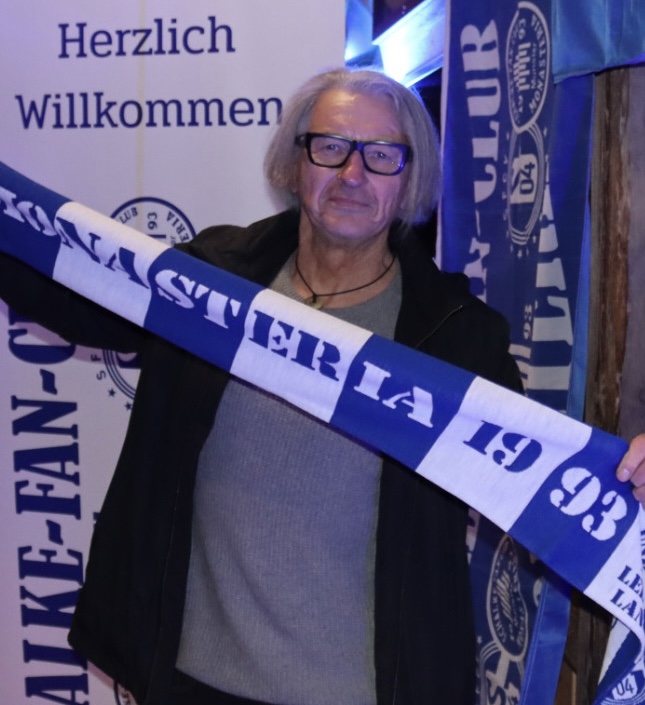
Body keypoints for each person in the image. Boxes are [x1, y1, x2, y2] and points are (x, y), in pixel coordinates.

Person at [1, 67, 644, 705]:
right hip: (187, 681)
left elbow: (539, 485)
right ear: (293, 163)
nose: (352, 174)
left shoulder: (454, 336)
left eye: (382, 155)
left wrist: (632, 480)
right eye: (330, 147)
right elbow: (72, 289)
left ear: (410, 178)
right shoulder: (217, 281)